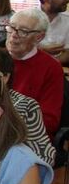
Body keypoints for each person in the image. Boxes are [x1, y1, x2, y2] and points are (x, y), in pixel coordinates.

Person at [5, 8, 63, 139]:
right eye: (12, 28)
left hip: (26, 137)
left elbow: (49, 120)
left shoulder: (51, 67)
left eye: (24, 31)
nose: (14, 35)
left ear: (39, 37)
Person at [38, 0, 69, 64]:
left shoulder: (67, 20)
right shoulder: (26, 18)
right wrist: (41, 50)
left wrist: (50, 66)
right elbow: (20, 49)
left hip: (58, 69)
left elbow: (67, 53)